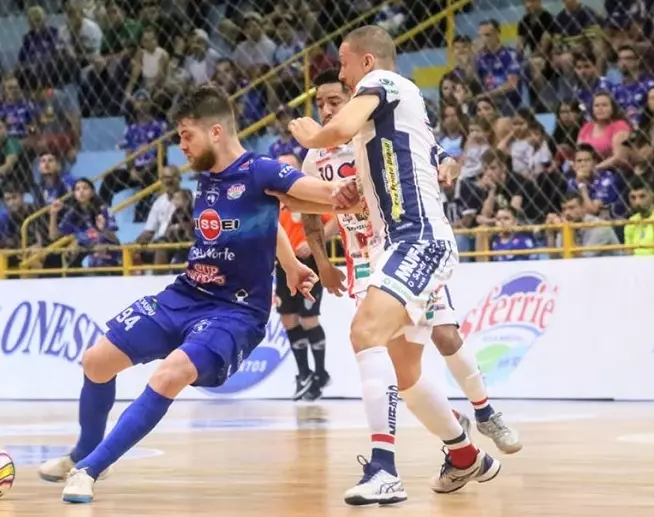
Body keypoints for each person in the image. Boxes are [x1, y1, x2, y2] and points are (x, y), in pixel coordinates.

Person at [37, 84, 353, 504]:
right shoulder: (208, 175)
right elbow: (267, 219)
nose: (181, 146)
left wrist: (349, 187)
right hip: (186, 294)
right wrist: (291, 264)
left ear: (215, 132)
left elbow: (327, 196)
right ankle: (85, 450)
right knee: (96, 361)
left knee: (169, 374)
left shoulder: (262, 171)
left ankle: (89, 470)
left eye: (187, 135)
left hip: (235, 313)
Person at [275, 68, 520, 505]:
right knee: (404, 372)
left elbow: (429, 152)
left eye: (335, 101)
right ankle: (464, 454)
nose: (327, 109)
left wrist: (446, 160)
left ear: (353, 98)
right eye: (321, 103)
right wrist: (322, 256)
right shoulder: (318, 156)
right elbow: (310, 206)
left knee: (435, 335)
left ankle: (469, 422)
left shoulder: (376, 129)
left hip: (406, 248)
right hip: (366, 262)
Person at [275, 153, 339, 401]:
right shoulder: (274, 201)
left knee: (309, 317)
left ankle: (321, 373)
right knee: (288, 318)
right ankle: (304, 374)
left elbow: (335, 220)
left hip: (309, 263)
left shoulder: (307, 194)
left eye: (287, 168)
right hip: (284, 265)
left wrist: (313, 243)